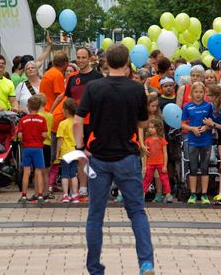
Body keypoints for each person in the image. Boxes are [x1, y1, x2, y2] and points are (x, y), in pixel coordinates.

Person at [72, 43, 155, 275]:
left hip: (99, 157)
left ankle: (95, 268)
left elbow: (77, 121)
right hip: (127, 157)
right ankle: (146, 263)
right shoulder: (136, 89)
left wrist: (80, 148)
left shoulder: (94, 87)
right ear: (128, 63)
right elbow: (143, 123)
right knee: (137, 212)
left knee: (95, 215)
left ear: (106, 62)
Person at [60, 47, 103, 202]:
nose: (80, 60)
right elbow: (68, 101)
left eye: (83, 57)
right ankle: (83, 189)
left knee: (96, 156)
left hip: (94, 121)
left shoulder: (98, 77)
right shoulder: (72, 77)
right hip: (77, 122)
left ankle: (97, 187)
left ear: (90, 58)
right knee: (80, 155)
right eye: (78, 57)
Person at [181, 82, 213, 205]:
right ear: (191, 93)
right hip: (193, 141)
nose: (198, 94)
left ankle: (204, 194)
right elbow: (182, 123)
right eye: (196, 92)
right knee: (193, 167)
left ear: (204, 93)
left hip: (206, 140)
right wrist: (192, 129)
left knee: (205, 167)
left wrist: (206, 127)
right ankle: (193, 194)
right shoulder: (187, 107)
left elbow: (212, 122)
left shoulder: (209, 106)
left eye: (201, 92)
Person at [17, 95, 48, 203]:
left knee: (26, 172)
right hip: (38, 148)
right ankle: (40, 195)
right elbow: (44, 135)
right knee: (38, 171)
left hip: (27, 148)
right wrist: (39, 140)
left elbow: (20, 135)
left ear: (28, 107)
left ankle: (24, 196)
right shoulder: (42, 120)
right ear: (39, 107)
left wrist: (24, 141)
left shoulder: (23, 120)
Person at [40, 51, 69, 167]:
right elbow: (60, 95)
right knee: (54, 147)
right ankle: (51, 174)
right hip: (54, 114)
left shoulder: (48, 73)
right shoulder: (57, 75)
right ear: (66, 63)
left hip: (45, 111)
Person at [142, 119, 173, 203]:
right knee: (146, 179)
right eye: (149, 128)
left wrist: (165, 165)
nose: (150, 129)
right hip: (150, 163)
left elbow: (165, 153)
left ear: (158, 128)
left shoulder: (162, 140)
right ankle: (142, 195)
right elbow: (145, 154)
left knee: (164, 179)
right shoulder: (147, 140)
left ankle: (168, 195)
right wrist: (144, 166)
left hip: (160, 163)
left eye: (152, 127)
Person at [56, 98, 79, 203]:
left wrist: (57, 151)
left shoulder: (63, 124)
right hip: (75, 151)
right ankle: (75, 194)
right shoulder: (78, 122)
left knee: (65, 174)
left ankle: (65, 194)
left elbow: (60, 139)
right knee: (73, 174)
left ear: (66, 111)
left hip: (65, 152)